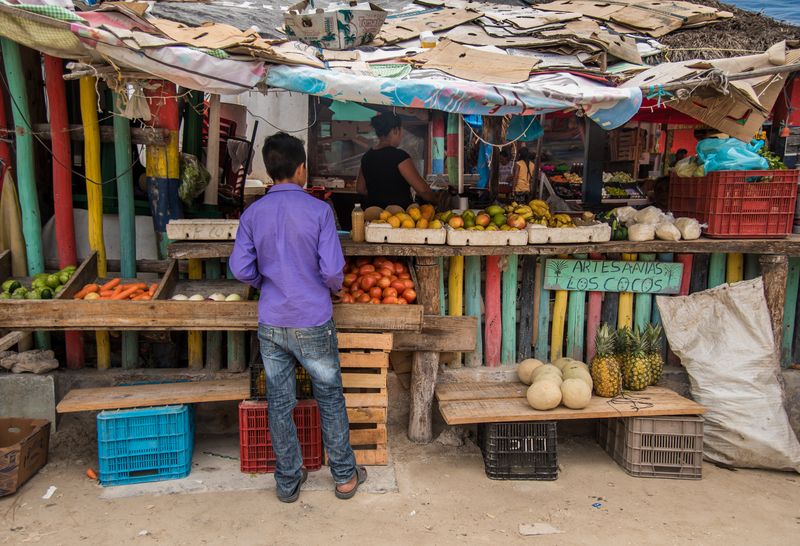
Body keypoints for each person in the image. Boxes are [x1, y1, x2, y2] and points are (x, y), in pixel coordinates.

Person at [230, 133, 366, 503]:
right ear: (302, 167)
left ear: (270, 169)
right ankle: (343, 476)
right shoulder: (319, 211)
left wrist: (266, 281)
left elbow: (241, 269)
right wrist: (331, 287)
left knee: (279, 402)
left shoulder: (252, 213)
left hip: (272, 321)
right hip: (312, 319)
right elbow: (333, 270)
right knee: (330, 398)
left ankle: (288, 479)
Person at [356, 112, 436, 208]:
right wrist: (437, 201)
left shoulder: (367, 157)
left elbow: (360, 188)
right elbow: (423, 190)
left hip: (374, 216)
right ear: (395, 130)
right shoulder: (400, 157)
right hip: (399, 218)